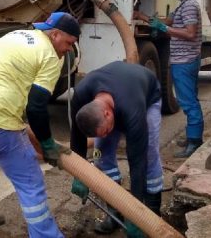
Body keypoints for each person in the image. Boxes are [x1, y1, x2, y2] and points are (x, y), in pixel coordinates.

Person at [0, 11, 80, 237]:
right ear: (56, 35)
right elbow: (37, 107)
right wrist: (47, 144)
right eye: (69, 43)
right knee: (30, 179)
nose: (69, 49)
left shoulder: (19, 35)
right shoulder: (49, 55)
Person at [68, 61, 163, 237]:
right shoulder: (81, 95)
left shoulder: (133, 110)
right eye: (101, 133)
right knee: (101, 152)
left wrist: (137, 217)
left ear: (107, 114)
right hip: (117, 94)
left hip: (147, 98)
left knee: (148, 154)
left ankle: (152, 212)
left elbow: (137, 162)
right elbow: (77, 137)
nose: (105, 136)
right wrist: (78, 174)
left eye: (105, 131)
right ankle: (114, 212)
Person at [136, 0, 203, 158]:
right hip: (183, 59)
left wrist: (165, 29)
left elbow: (190, 33)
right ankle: (192, 137)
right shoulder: (183, 5)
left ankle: (195, 141)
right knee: (189, 99)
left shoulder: (190, 7)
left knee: (188, 102)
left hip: (185, 60)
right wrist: (143, 17)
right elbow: (166, 22)